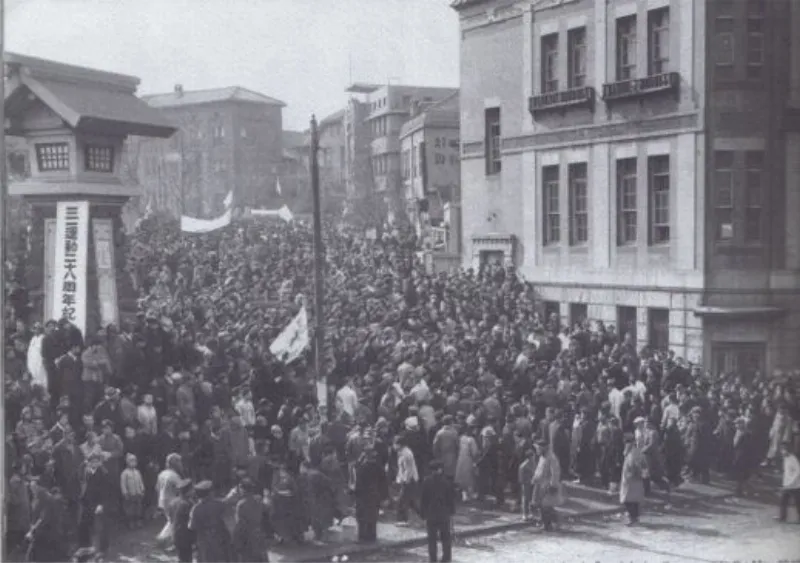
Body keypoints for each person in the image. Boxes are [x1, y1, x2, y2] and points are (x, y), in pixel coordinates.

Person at [420, 460, 456, 563]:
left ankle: (433, 559)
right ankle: (446, 557)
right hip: (444, 514)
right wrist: (452, 513)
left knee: (431, 539)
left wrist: (423, 515)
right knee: (446, 538)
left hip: (431, 515)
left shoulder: (426, 482)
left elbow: (423, 500)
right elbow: (450, 499)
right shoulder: (446, 482)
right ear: (440, 470)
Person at [189, 480, 233, 562]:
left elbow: (192, 527)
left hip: (204, 539)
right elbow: (228, 521)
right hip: (219, 537)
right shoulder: (219, 504)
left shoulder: (195, 509)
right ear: (210, 493)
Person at [354, 446, 386, 543]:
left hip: (363, 496)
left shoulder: (362, 468)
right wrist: (384, 496)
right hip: (375, 495)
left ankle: (362, 537)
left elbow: (358, 484)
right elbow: (384, 482)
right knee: (373, 516)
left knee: (362, 517)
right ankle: (372, 536)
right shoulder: (379, 467)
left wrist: (355, 495)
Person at [232, 478, 269, 562]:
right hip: (258, 533)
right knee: (261, 557)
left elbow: (239, 524)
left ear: (243, 490)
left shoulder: (241, 504)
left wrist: (235, 540)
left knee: (248, 558)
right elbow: (266, 508)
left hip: (246, 536)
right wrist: (267, 496)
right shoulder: (258, 500)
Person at [531, 439, 563, 531]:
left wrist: (553, 485)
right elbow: (539, 469)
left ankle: (556, 521)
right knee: (542, 506)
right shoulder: (542, 457)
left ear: (543, 448)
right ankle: (546, 525)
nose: (537, 450)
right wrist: (534, 478)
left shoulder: (552, 457)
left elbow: (555, 472)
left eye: (538, 448)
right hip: (540, 485)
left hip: (548, 485)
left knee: (546, 505)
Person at [620, 433, 646, 526]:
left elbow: (634, 465)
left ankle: (633, 519)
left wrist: (636, 474)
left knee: (629, 500)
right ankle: (635, 518)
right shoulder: (638, 451)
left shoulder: (632, 453)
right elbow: (644, 464)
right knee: (634, 500)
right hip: (635, 480)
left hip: (631, 480)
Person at [173, 478, 195, 563]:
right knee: (187, 559)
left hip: (176, 534)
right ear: (188, 491)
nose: (193, 491)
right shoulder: (188, 504)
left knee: (181, 558)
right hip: (186, 536)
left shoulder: (173, 502)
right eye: (192, 489)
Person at [777, 441, 800, 523]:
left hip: (795, 485)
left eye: (784, 449)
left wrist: (792, 482)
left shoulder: (792, 458)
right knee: (783, 501)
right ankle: (782, 517)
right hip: (787, 485)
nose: (782, 451)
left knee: (798, 503)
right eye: (781, 449)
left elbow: (798, 471)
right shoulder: (785, 459)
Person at [121, 453, 145, 528]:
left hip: (138, 493)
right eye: (131, 461)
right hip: (130, 494)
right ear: (127, 462)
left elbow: (140, 481)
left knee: (138, 508)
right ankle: (131, 523)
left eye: (135, 460)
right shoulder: (125, 473)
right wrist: (125, 493)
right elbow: (123, 484)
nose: (133, 462)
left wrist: (142, 489)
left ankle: (138, 521)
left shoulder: (137, 472)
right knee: (130, 509)